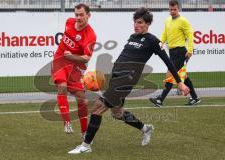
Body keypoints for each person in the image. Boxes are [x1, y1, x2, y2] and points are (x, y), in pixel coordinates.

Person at [68, 7, 190, 154]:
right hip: (116, 77)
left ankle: (86, 145)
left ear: (147, 24)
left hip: (127, 79)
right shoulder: (133, 37)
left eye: (139, 22)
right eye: (135, 22)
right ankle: (146, 129)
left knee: (98, 108)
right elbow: (124, 57)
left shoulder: (153, 41)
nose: (136, 25)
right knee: (117, 113)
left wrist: (180, 82)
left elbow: (168, 62)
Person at [52, 3, 96, 136]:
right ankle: (66, 122)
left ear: (88, 15)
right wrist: (67, 55)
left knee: (82, 100)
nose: (78, 17)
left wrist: (71, 56)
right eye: (76, 14)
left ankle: (84, 132)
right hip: (59, 60)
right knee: (62, 86)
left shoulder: (90, 35)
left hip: (74, 66)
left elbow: (86, 58)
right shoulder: (69, 22)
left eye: (81, 15)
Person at [149, 0, 201, 107]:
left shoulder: (183, 21)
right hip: (172, 52)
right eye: (171, 9)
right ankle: (195, 98)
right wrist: (160, 43)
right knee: (183, 76)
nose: (172, 11)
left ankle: (160, 99)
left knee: (171, 74)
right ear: (169, 9)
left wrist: (190, 50)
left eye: (175, 9)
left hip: (181, 51)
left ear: (179, 9)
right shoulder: (167, 20)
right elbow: (165, 33)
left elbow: (190, 35)